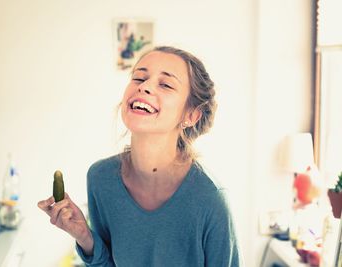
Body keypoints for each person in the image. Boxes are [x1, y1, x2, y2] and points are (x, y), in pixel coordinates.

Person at [38, 46, 242, 266]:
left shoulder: (210, 199)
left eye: (165, 84)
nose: (144, 87)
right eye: (139, 78)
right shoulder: (100, 178)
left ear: (191, 114)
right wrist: (84, 236)